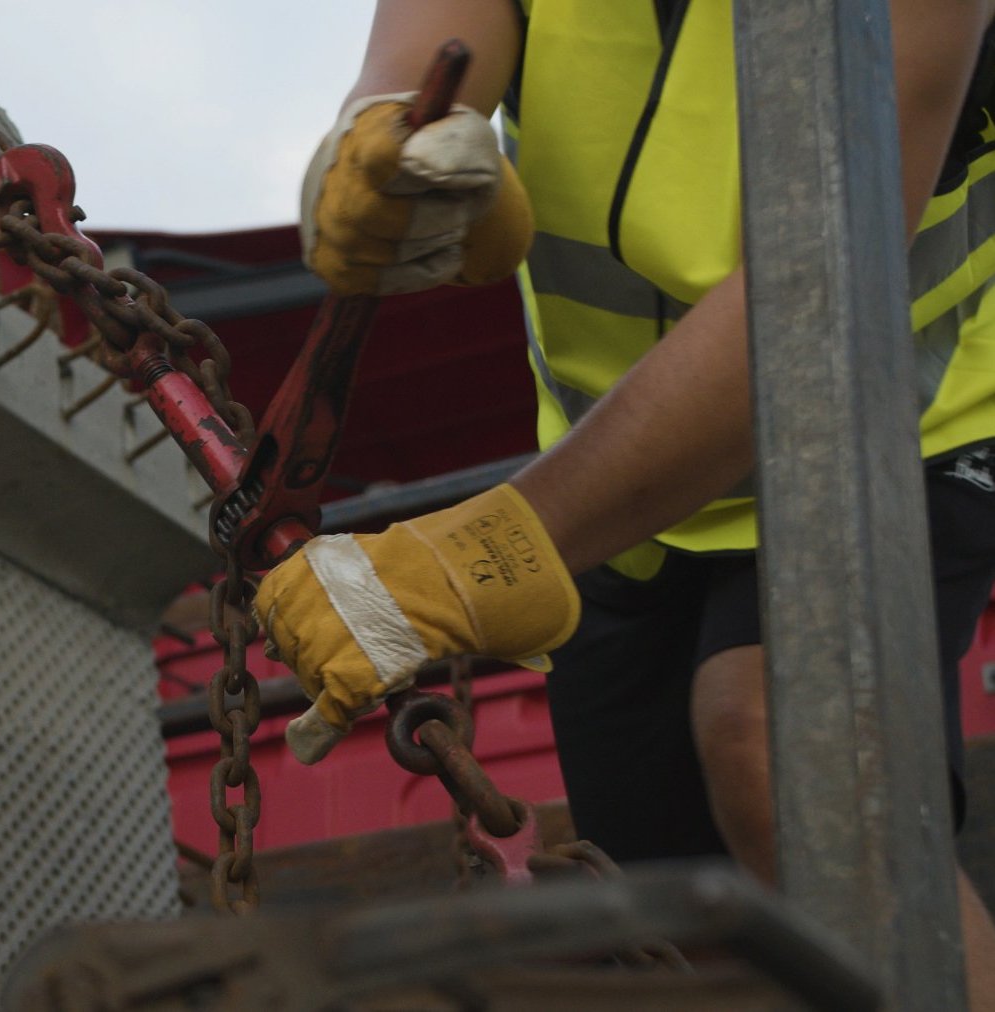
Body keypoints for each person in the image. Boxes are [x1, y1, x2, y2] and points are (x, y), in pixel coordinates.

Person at [254, 0, 995, 1002]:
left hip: (888, 424)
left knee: (769, 745)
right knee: (670, 921)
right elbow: (417, 69)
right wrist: (382, 161)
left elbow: (806, 304)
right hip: (614, 482)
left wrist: (477, 558)